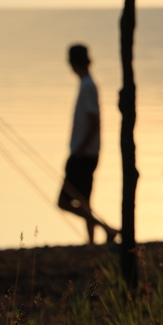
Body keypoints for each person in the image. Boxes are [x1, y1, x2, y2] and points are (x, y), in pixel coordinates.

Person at [58, 44, 117, 245]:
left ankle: (106, 228)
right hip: (87, 152)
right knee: (84, 200)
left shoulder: (88, 86)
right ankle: (92, 240)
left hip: (84, 154)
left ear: (73, 63)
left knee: (64, 201)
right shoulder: (87, 84)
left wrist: (80, 149)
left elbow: (94, 120)